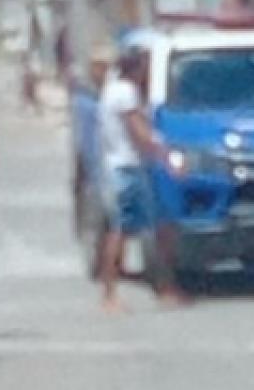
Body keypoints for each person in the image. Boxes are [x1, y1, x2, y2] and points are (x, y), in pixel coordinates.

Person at [97, 46, 186, 312]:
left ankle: (157, 289)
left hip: (121, 166)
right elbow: (139, 132)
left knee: (138, 229)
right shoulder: (126, 92)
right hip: (129, 169)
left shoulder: (112, 90)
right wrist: (167, 156)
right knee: (133, 230)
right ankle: (120, 294)